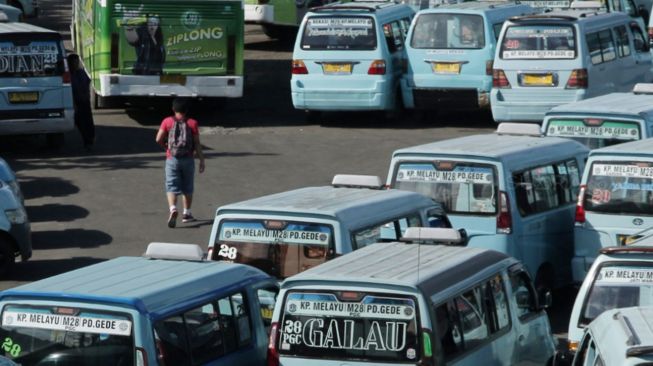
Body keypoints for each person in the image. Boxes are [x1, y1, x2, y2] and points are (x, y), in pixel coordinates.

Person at [155, 98, 205, 228]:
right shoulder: (192, 123)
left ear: (173, 109)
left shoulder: (167, 121)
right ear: (187, 110)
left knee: (171, 186)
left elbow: (158, 139)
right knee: (187, 187)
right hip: (188, 159)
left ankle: (173, 209)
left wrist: (167, 147)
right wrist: (201, 160)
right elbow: (197, 144)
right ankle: (186, 214)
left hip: (172, 158)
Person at [67, 53, 95, 150]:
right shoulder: (69, 75)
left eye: (77, 62)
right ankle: (87, 140)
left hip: (85, 101)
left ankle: (89, 140)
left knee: (88, 122)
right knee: (80, 122)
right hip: (76, 101)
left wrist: (87, 96)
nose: (75, 64)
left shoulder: (82, 72)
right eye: (73, 62)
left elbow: (88, 82)